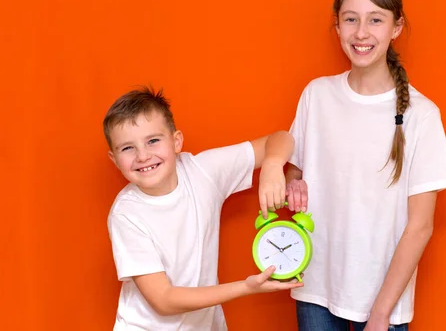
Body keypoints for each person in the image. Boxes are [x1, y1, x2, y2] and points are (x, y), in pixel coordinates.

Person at [285, 0, 446, 331]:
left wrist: (381, 312)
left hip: (384, 303)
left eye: (375, 19)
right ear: (337, 26)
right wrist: (292, 182)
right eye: (351, 19)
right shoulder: (316, 95)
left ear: (396, 28)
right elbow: (297, 169)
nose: (361, 33)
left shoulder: (421, 115)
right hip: (316, 289)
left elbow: (420, 226)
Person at [104, 86, 306, 330]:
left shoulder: (202, 171)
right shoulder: (126, 214)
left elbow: (282, 138)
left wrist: (273, 165)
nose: (143, 156)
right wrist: (246, 287)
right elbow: (163, 300)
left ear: (176, 141)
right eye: (128, 148)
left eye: (153, 141)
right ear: (114, 159)